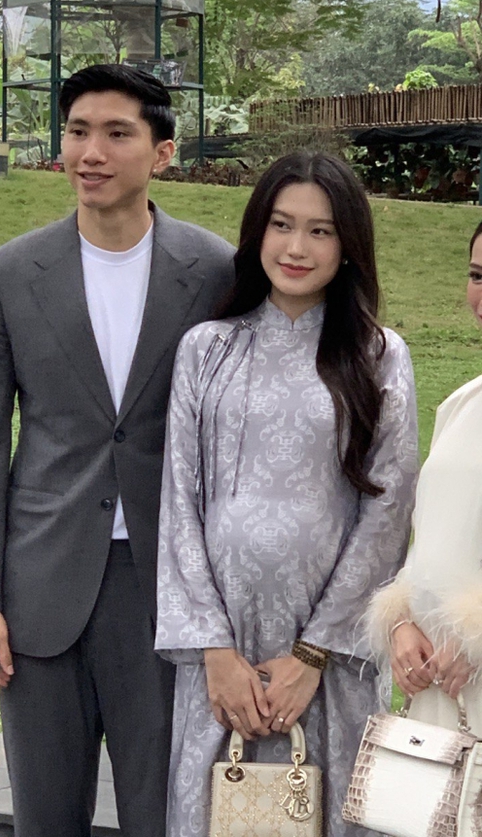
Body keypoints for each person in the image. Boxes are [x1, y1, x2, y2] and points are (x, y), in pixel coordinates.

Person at [0, 64, 234, 837]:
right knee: (45, 819)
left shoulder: (216, 270)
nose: (91, 152)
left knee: (164, 817)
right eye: (77, 131)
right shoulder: (8, 274)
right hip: (39, 591)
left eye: (116, 133)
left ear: (162, 152)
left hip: (168, 594)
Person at [154, 151, 419, 837]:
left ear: (348, 245)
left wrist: (312, 656)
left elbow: (389, 510)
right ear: (257, 232)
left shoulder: (378, 356)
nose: (297, 247)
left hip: (330, 654)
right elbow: (180, 503)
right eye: (282, 224)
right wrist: (214, 651)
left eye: (320, 231)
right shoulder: (207, 349)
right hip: (223, 652)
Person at [368, 220, 482, 734]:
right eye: (478, 276)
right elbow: (431, 539)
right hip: (440, 690)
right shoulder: (461, 404)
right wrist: (401, 622)